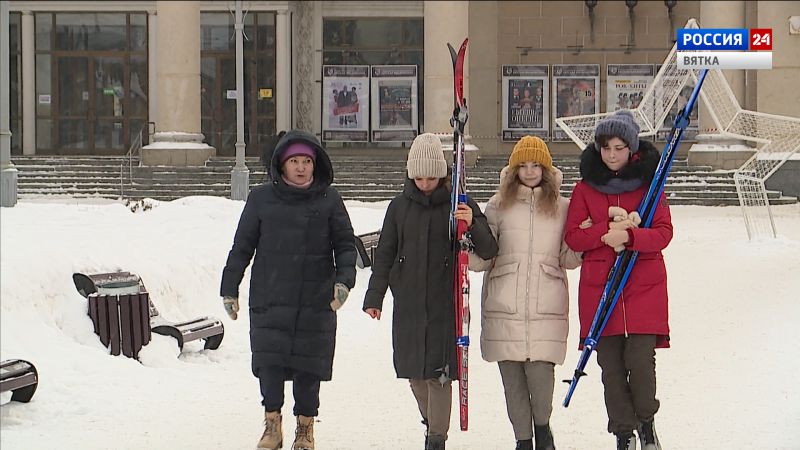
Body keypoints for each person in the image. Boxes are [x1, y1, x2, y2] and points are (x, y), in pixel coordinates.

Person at [220, 130, 357, 450]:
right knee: (270, 365)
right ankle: (272, 426)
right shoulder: (261, 199)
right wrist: (230, 288)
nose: (301, 167)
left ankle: (305, 429)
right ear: (281, 164)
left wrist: (343, 281)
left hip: (315, 300)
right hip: (270, 297)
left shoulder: (330, 199)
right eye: (294, 161)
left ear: (315, 164)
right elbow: (242, 247)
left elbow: (345, 245)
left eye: (306, 161)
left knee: (309, 368)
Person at [362, 133, 498, 450]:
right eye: (419, 177)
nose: (425, 183)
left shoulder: (459, 202)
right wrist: (375, 296)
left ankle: (436, 439)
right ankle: (431, 424)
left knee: (440, 374)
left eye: (432, 176)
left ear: (443, 174)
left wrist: (471, 223)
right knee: (415, 374)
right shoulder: (398, 207)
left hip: (444, 302)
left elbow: (489, 249)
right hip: (408, 301)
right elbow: (384, 254)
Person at [564, 110, 670, 450]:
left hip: (642, 289)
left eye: (619, 147)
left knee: (640, 364)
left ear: (632, 149)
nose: (612, 154)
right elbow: (573, 238)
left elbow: (664, 233)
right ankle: (623, 432)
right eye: (606, 147)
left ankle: (647, 422)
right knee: (610, 369)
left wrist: (631, 238)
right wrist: (603, 232)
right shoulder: (584, 189)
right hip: (601, 291)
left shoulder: (650, 187)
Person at [470, 136, 582, 450]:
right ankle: (523, 440)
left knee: (541, 380)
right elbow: (485, 256)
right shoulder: (498, 205)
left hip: (545, 304)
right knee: (513, 385)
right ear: (514, 168)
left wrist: (587, 243)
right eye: (524, 165)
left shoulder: (562, 207)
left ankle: (543, 428)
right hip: (504, 303)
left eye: (536, 165)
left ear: (546, 170)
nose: (530, 171)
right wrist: (466, 247)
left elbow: (567, 257)